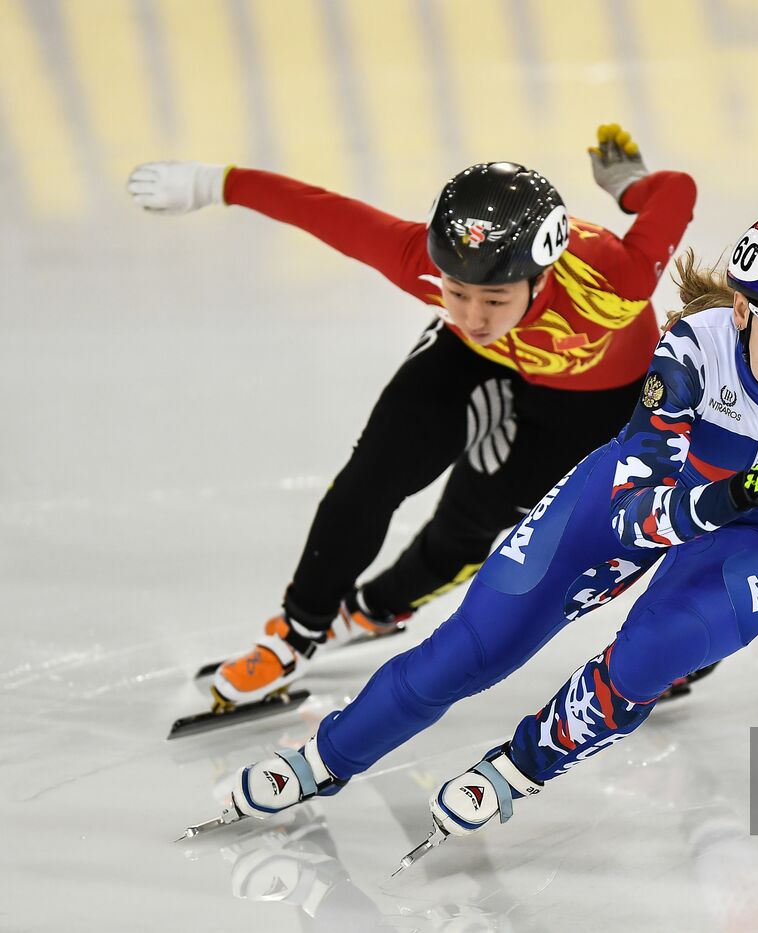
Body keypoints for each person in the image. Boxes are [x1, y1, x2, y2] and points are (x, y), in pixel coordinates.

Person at [195, 210, 758, 865]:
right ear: (743, 310)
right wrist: (738, 484)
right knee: (473, 647)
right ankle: (321, 761)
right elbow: (640, 518)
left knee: (657, 651)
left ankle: (524, 764)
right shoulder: (692, 355)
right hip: (659, 493)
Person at [126, 125, 697, 708]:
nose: (473, 313)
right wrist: (213, 183)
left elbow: (676, 190)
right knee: (373, 475)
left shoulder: (613, 278)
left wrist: (629, 185)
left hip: (587, 400)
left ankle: (376, 609)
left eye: (495, 299)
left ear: (542, 274)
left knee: (471, 523)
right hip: (473, 364)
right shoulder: (421, 266)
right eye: (455, 291)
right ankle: (295, 633)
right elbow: (321, 211)